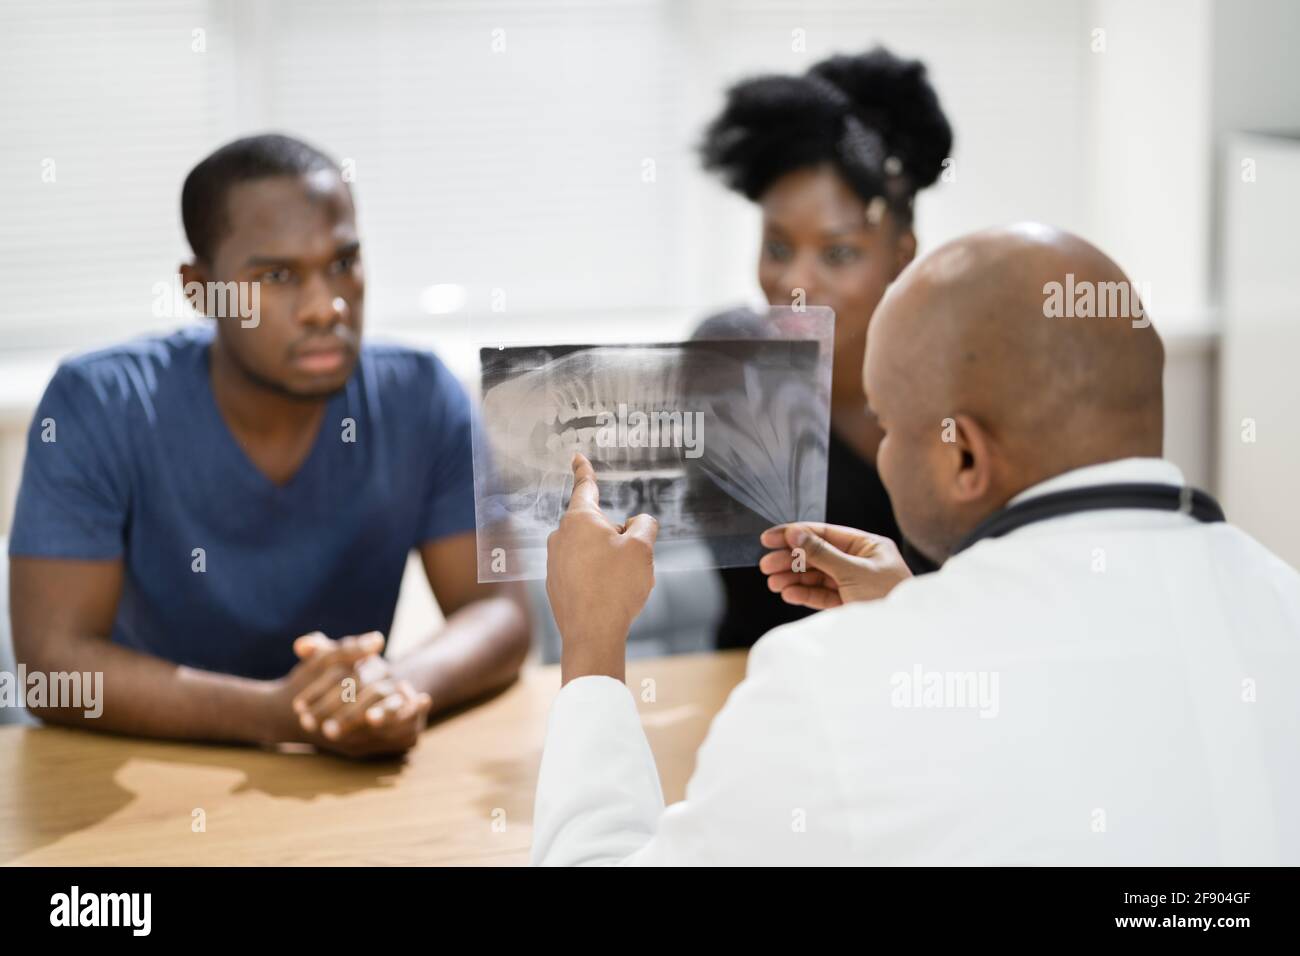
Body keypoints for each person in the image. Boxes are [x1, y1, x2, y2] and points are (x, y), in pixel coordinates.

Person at [532, 225, 1300, 865]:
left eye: (887, 422)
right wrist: (919, 612)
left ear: (961, 455)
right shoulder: (1283, 604)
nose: (881, 450)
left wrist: (592, 645)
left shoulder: (828, 687)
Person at [8, 134, 530, 759]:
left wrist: (395, 688)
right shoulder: (99, 403)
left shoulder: (421, 394)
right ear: (201, 290)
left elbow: (500, 612)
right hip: (148, 770)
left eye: (342, 263)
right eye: (276, 276)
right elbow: (53, 673)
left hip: (342, 784)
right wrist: (272, 714)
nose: (325, 306)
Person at [694, 47, 953, 649]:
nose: (795, 284)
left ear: (901, 253)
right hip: (752, 686)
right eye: (778, 248)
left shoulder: (956, 399)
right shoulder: (727, 366)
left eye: (838, 254)